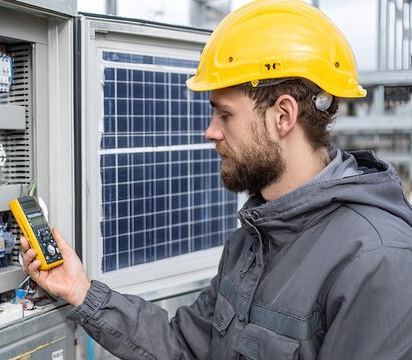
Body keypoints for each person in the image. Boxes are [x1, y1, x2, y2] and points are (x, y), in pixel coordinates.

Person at [21, 1, 412, 358]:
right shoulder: (253, 241)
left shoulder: (376, 262)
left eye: (224, 115)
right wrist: (82, 292)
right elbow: (184, 347)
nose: (210, 131)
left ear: (283, 116)